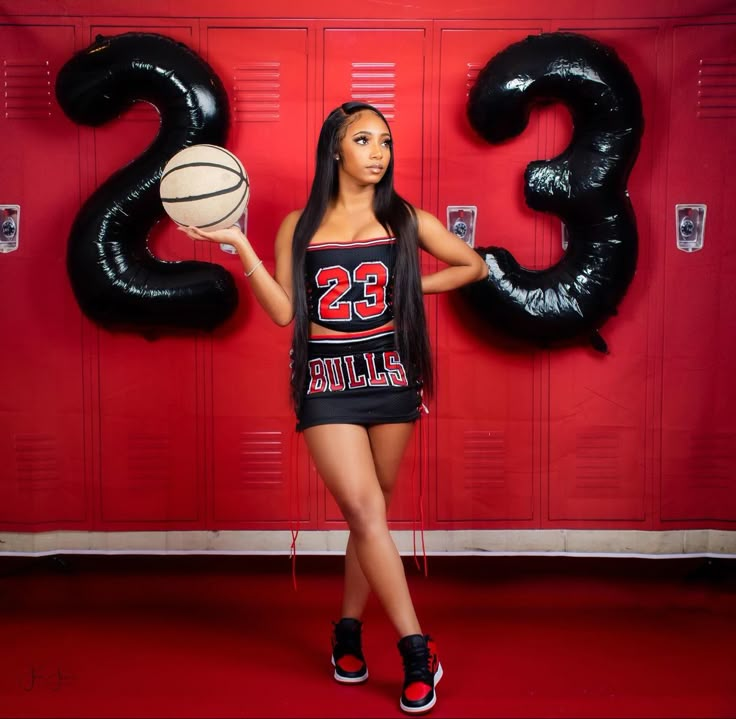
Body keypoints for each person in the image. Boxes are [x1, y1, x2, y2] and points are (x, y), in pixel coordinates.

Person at [179, 101, 488, 715]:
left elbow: (472, 266)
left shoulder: (403, 219)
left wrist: (409, 290)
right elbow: (285, 312)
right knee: (363, 507)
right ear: (335, 151)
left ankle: (347, 629)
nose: (379, 152)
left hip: (392, 375)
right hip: (326, 379)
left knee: (369, 519)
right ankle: (417, 649)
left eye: (386, 142)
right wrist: (239, 240)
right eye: (364, 140)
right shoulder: (300, 224)